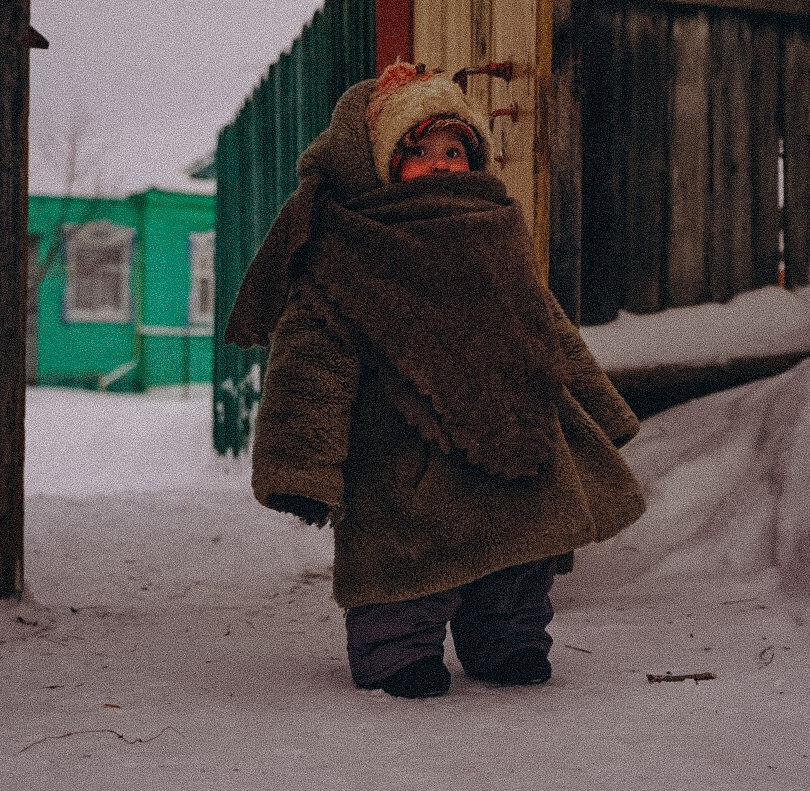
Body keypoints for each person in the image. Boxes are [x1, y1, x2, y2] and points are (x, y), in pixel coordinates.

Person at [225, 60, 645, 699]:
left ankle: (508, 639)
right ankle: (399, 651)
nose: (444, 163)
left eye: (457, 150)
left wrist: (600, 408)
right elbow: (311, 364)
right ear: (380, 163)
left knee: (519, 555)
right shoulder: (345, 252)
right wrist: (298, 467)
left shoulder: (496, 230)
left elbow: (547, 331)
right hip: (400, 452)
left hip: (512, 435)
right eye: (420, 152)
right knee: (404, 564)